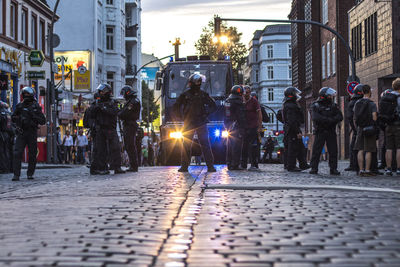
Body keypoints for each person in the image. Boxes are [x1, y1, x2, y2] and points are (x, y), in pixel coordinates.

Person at [173, 73, 217, 172]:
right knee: (187, 146)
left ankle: (210, 166)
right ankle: (185, 166)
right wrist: (181, 117)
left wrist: (205, 113)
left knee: (204, 145)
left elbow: (213, 106)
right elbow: (176, 106)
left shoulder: (202, 94)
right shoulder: (185, 95)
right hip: (190, 123)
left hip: (200, 122)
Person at [11, 87, 45, 181]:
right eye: (24, 95)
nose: (26, 97)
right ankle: (16, 174)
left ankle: (30, 173)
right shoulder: (19, 106)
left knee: (32, 154)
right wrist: (19, 120)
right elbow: (13, 118)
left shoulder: (36, 107)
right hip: (21, 132)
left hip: (32, 132)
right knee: (17, 153)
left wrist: (33, 116)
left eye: (27, 95)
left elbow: (43, 121)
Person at [92, 83, 125, 174]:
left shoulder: (113, 102)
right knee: (101, 149)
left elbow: (115, 112)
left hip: (110, 128)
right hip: (100, 128)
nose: (101, 93)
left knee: (115, 148)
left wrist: (104, 109)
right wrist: (95, 108)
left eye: (102, 91)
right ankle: (103, 168)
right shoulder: (96, 103)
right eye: (100, 91)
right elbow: (91, 115)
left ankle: (117, 167)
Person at [309, 87, 343, 175]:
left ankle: (333, 168)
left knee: (333, 150)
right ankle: (314, 168)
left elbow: (340, 116)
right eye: (329, 95)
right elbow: (316, 118)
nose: (331, 97)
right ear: (324, 95)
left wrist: (330, 120)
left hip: (331, 131)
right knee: (317, 150)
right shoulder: (315, 105)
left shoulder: (333, 105)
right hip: (320, 131)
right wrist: (330, 120)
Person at [282, 87, 309, 172]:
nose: (296, 95)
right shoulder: (291, 106)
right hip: (293, 130)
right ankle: (291, 166)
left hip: (291, 128)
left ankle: (303, 164)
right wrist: (297, 131)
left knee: (300, 147)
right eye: (295, 93)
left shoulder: (289, 104)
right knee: (293, 148)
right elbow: (292, 120)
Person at [353, 84, 377, 176]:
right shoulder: (372, 104)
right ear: (370, 91)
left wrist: (358, 127)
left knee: (360, 149)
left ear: (362, 92)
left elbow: (355, 117)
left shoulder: (357, 103)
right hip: (369, 128)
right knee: (369, 150)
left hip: (360, 128)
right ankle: (367, 170)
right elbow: (374, 117)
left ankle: (361, 170)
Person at [118, 85, 141, 172]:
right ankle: (133, 165)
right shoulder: (131, 101)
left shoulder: (133, 102)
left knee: (130, 145)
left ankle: (134, 166)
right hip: (128, 124)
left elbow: (125, 113)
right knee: (128, 145)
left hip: (130, 124)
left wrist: (119, 113)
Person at [224, 85, 246, 170]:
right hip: (237, 126)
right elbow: (241, 116)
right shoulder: (238, 102)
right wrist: (243, 127)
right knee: (237, 146)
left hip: (228, 126)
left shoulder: (227, 100)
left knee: (229, 145)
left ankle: (229, 162)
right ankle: (235, 164)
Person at [241, 86, 262, 171]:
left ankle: (254, 164)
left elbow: (259, 113)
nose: (246, 94)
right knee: (244, 146)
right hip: (243, 127)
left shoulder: (254, 101)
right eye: (245, 92)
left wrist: (259, 126)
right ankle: (243, 164)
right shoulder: (241, 101)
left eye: (248, 92)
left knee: (253, 146)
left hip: (253, 126)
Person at [382, 78, 400, 175]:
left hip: (388, 125)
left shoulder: (386, 97)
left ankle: (388, 168)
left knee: (388, 148)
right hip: (398, 125)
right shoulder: (398, 97)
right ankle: (398, 169)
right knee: (399, 148)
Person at [345, 85, 364, 172]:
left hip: (356, 128)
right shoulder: (358, 102)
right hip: (359, 128)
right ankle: (355, 164)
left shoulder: (352, 102)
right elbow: (351, 117)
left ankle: (353, 164)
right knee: (357, 147)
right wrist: (355, 129)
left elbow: (349, 117)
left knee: (354, 147)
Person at [0, 101, 14, 173]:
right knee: (7, 151)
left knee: (2, 152)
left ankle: (3, 168)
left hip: (2, 134)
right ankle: (9, 168)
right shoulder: (8, 113)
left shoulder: (1, 113)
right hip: (8, 134)